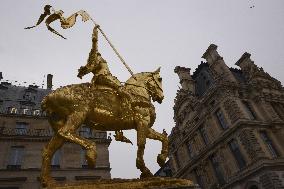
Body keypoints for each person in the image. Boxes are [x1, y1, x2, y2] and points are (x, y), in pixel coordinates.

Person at [77, 25, 132, 101]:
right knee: (121, 89)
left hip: (107, 76)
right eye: (97, 53)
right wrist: (95, 32)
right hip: (102, 77)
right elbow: (94, 45)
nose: (99, 54)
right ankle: (127, 102)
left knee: (119, 87)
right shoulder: (94, 56)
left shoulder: (98, 58)